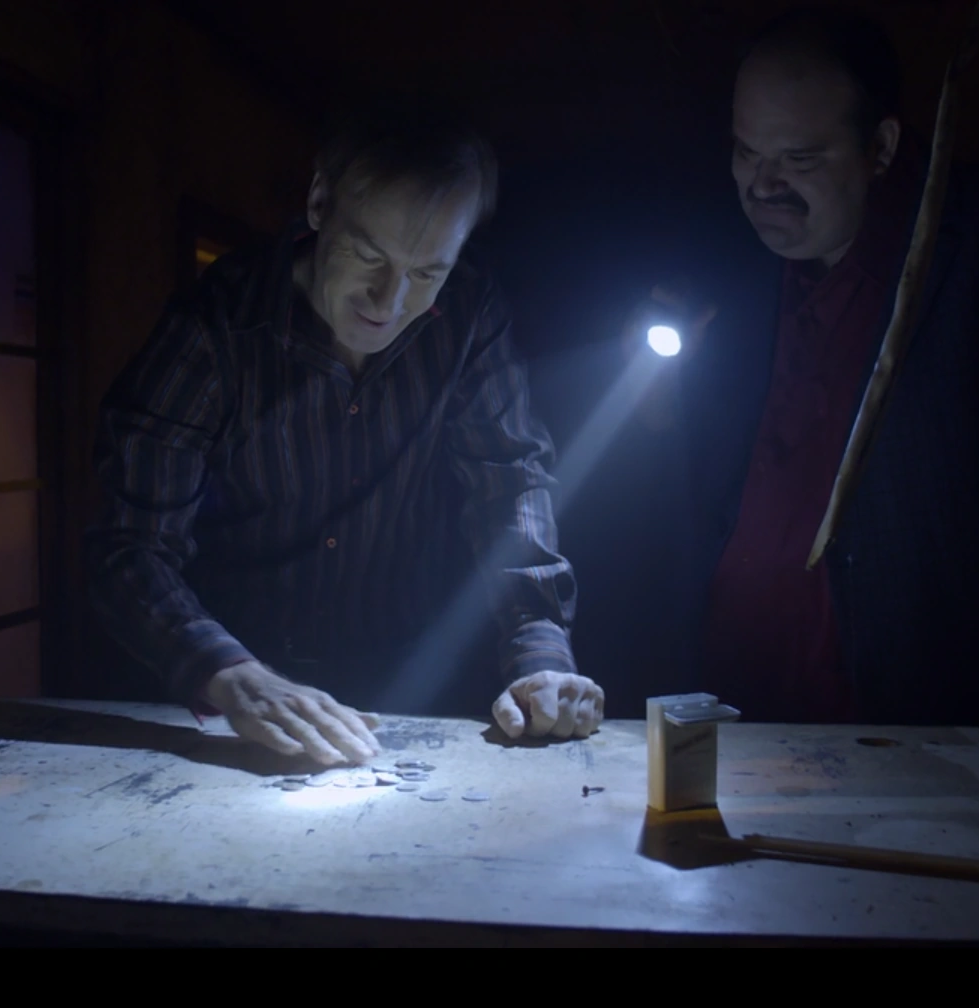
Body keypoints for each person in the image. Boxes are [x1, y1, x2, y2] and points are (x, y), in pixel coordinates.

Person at [641, 6, 979, 755]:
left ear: (881, 146)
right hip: (735, 721)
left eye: (800, 158)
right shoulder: (723, 262)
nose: (763, 186)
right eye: (746, 152)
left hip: (942, 733)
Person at [86, 100, 605, 767]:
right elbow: (128, 545)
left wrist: (539, 651)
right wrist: (231, 675)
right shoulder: (217, 326)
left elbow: (508, 483)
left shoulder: (468, 314)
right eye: (367, 255)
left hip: (402, 677)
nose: (389, 302)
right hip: (232, 693)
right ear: (319, 201)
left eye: (426, 273)